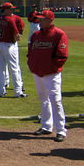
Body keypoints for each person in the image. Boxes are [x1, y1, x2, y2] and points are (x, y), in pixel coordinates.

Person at [27, 9, 68, 141]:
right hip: (38, 72)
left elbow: (62, 56)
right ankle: (46, 126)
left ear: (50, 20)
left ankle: (61, 130)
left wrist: (51, 68)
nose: (39, 21)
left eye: (42, 19)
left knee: (55, 100)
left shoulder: (59, 34)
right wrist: (33, 65)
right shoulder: (36, 35)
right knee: (43, 99)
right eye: (39, 18)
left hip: (52, 74)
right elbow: (30, 53)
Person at [0, 2, 26, 98]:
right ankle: (18, 92)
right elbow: (16, 37)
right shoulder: (10, 20)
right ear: (5, 10)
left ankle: (1, 91)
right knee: (14, 68)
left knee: (1, 69)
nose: (12, 11)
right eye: (10, 9)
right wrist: (19, 37)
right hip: (9, 45)